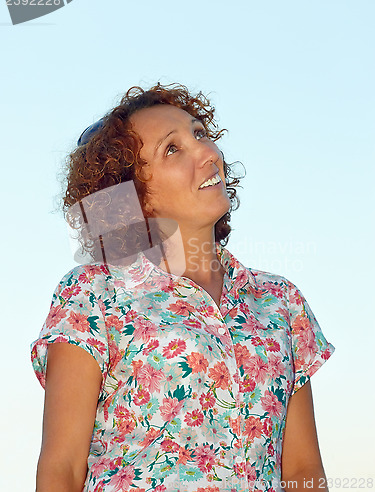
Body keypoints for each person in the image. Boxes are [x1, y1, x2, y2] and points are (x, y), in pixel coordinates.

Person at [31, 83, 335, 492]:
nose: (208, 153)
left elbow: (302, 470)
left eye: (199, 134)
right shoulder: (92, 294)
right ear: (134, 196)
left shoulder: (280, 302)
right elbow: (61, 469)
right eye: (172, 149)